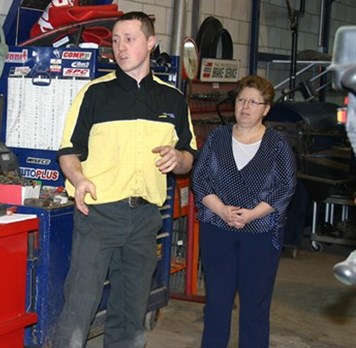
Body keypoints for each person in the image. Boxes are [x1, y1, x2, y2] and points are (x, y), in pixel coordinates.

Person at [55, 12, 197, 348]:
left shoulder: (172, 99)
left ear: (150, 43)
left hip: (146, 218)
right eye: (115, 41)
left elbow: (188, 155)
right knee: (80, 305)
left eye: (129, 39)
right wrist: (79, 177)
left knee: (131, 310)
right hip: (98, 215)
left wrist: (178, 159)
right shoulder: (93, 94)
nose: (120, 48)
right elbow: (67, 152)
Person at [192, 75, 297, 348]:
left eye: (254, 102)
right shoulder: (218, 138)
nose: (245, 107)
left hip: (261, 235)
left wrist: (251, 215)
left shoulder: (277, 144)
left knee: (255, 308)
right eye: (241, 100)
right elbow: (199, 180)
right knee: (216, 304)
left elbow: (286, 187)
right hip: (217, 230)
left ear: (266, 108)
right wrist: (222, 210)